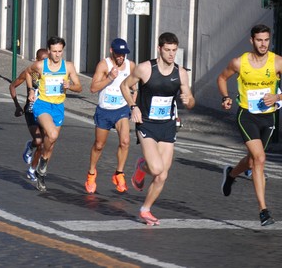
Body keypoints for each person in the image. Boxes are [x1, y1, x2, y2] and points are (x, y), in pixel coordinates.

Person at [120, 32, 195, 226]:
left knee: (162, 174)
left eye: (174, 50)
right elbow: (124, 85)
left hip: (168, 126)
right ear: (159, 49)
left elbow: (190, 99)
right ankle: (142, 167)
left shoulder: (180, 73)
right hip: (146, 124)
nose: (171, 54)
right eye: (168, 50)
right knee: (156, 168)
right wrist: (133, 106)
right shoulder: (145, 69)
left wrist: (189, 101)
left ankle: (145, 209)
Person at [217, 24, 282, 226]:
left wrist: (278, 96)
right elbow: (221, 78)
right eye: (259, 40)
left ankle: (231, 174)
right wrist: (226, 97)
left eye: (266, 40)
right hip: (246, 115)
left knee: (253, 160)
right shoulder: (239, 62)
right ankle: (263, 211)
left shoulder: (277, 62)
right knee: (260, 158)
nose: (263, 44)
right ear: (251, 41)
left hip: (268, 117)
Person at [25, 36, 83, 192]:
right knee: (52, 134)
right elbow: (28, 73)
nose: (57, 55)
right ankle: (41, 165)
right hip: (42, 104)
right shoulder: (40, 65)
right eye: (54, 51)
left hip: (58, 107)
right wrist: (31, 90)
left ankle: (41, 171)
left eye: (60, 51)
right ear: (49, 51)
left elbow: (79, 87)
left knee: (50, 144)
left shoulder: (68, 66)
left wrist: (69, 85)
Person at [85, 38, 136, 194]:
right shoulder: (104, 65)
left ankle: (119, 173)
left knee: (125, 141)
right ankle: (91, 173)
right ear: (112, 51)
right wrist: (110, 78)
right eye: (119, 54)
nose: (121, 57)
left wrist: (133, 102)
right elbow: (93, 88)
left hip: (121, 109)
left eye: (124, 54)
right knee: (99, 145)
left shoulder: (130, 65)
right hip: (104, 110)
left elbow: (135, 85)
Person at [9, 48, 49, 183]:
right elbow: (12, 86)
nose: (45, 63)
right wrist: (17, 106)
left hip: (45, 112)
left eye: (47, 60)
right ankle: (30, 146)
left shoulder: (51, 75)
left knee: (42, 145)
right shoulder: (30, 73)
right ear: (36, 61)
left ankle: (32, 170)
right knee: (39, 141)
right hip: (31, 111)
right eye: (42, 60)